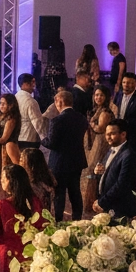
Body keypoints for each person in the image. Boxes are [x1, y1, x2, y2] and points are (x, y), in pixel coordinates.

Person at [42, 89, 89, 220]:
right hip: (76, 160)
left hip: (59, 162)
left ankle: (58, 220)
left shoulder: (57, 121)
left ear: (60, 102)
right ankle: (77, 219)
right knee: (75, 192)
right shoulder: (82, 119)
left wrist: (42, 139)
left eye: (56, 102)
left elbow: (51, 143)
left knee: (59, 193)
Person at [93, 117, 136, 221]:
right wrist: (98, 173)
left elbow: (122, 185)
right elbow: (109, 176)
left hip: (121, 209)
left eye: (112, 134)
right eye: (107, 134)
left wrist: (102, 202)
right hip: (109, 205)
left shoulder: (129, 156)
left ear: (123, 134)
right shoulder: (111, 150)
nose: (108, 137)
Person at [82, 84, 115, 208]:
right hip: (94, 142)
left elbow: (100, 129)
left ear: (106, 97)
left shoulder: (105, 112)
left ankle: (98, 200)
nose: (98, 97)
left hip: (101, 143)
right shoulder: (96, 109)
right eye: (96, 95)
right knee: (91, 169)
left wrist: (90, 123)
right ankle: (91, 200)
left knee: (95, 169)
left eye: (101, 95)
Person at [114, 72, 136, 153]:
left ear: (134, 84)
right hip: (118, 134)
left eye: (129, 83)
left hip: (133, 136)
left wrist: (127, 123)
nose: (126, 85)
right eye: (124, 82)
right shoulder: (119, 94)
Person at [0, 93, 22, 174]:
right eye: (0, 103)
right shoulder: (4, 117)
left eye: (4, 104)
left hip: (7, 148)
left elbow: (3, 139)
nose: (1, 106)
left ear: (11, 105)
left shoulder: (11, 119)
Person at [21, 147, 56, 218]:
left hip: (36, 218)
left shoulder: (33, 184)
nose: (19, 162)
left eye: (22, 160)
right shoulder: (47, 177)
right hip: (47, 216)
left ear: (31, 164)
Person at [15, 73, 47, 148]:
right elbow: (37, 121)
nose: (34, 85)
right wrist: (44, 137)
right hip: (29, 137)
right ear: (25, 84)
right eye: (32, 82)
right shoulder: (31, 101)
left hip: (17, 136)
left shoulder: (14, 98)